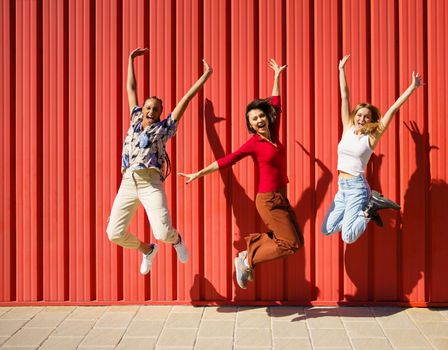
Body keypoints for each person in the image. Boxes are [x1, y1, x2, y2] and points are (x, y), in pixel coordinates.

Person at [179, 59, 303, 289]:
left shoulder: (274, 133)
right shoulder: (253, 144)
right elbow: (227, 160)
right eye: (254, 119)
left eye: (261, 116)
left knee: (297, 242)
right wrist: (199, 173)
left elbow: (275, 103)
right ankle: (247, 258)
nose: (260, 120)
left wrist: (277, 76)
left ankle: (251, 248)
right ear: (251, 125)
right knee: (289, 244)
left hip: (281, 197)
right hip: (268, 200)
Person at [106, 47, 212, 275]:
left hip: (150, 183)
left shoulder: (164, 129)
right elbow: (130, 88)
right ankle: (147, 250)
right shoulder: (134, 118)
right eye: (147, 107)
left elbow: (185, 100)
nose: (150, 111)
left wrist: (204, 78)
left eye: (155, 108)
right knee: (114, 233)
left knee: (163, 233)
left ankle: (176, 240)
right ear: (142, 109)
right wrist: (130, 60)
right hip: (127, 182)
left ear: (161, 112)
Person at [321, 54, 423, 244]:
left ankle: (369, 209)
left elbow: (392, 110)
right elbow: (345, 95)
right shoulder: (348, 128)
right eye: (359, 115)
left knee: (348, 237)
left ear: (371, 120)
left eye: (366, 117)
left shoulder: (371, 137)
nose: (361, 119)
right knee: (327, 229)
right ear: (355, 115)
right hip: (342, 188)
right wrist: (341, 70)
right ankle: (368, 206)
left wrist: (412, 87)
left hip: (357, 188)